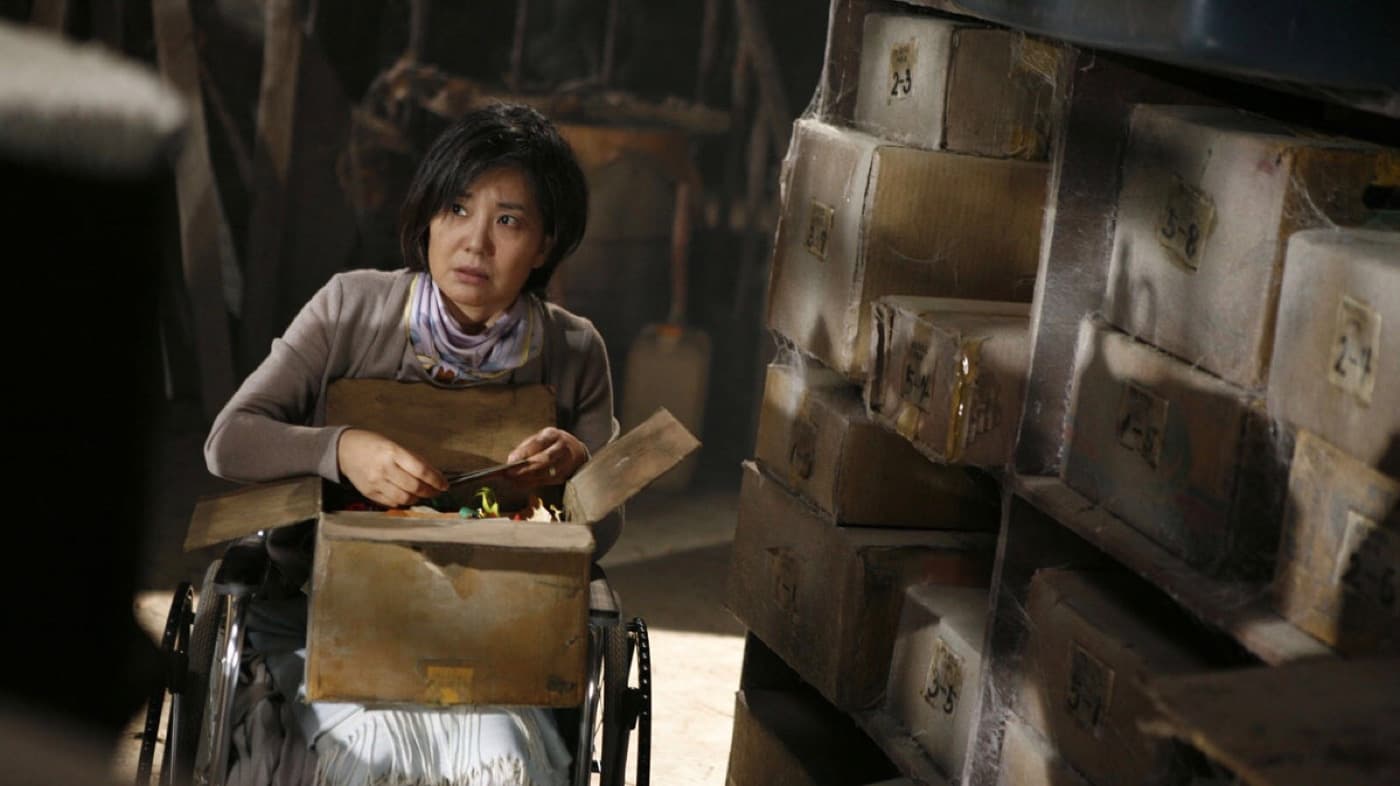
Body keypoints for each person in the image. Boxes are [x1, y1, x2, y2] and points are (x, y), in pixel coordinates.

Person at [204, 103, 618, 786]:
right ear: (427, 217)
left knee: (504, 764)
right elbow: (228, 442)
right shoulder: (350, 307)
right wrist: (340, 450)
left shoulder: (574, 350)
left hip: (498, 634)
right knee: (364, 761)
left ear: (545, 245)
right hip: (330, 614)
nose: (475, 243)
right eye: (457, 209)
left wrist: (575, 469)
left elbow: (604, 535)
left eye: (508, 221)